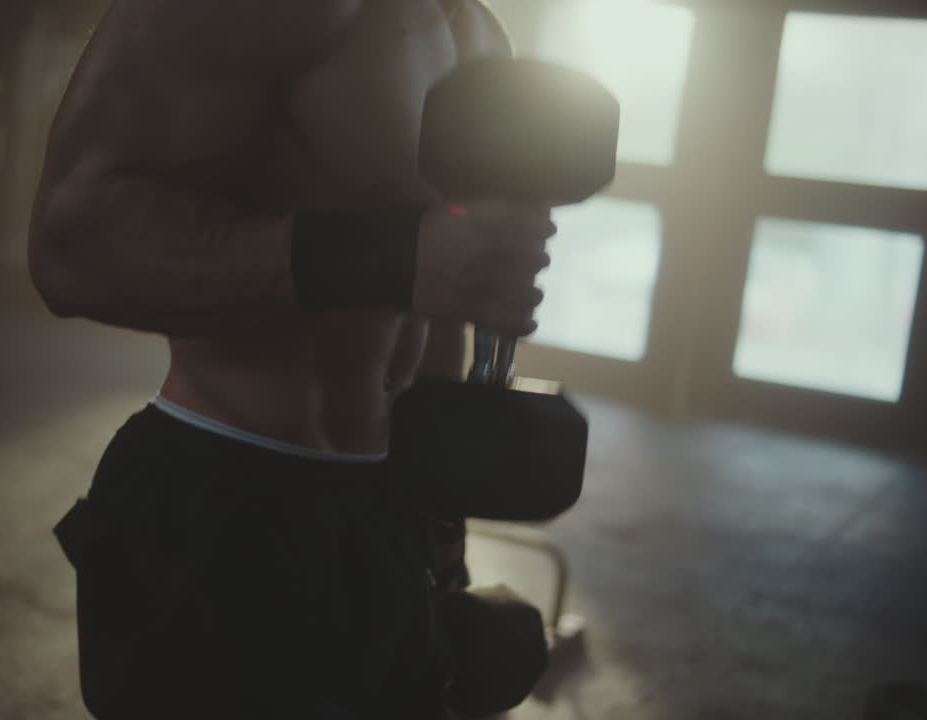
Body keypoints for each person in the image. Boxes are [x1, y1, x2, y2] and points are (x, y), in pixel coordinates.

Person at [30, 0, 557, 717]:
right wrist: (390, 256)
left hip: (383, 506)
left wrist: (440, 529)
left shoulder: (480, 32)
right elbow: (73, 242)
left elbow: (440, 298)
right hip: (224, 501)